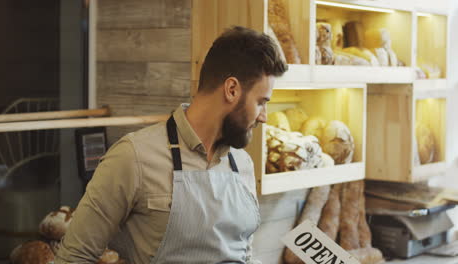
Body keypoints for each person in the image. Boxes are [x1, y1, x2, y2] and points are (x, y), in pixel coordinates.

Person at [55, 26, 287, 264]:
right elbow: (74, 257)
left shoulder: (242, 164)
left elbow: (242, 254)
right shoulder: (133, 157)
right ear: (231, 89)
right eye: (261, 102)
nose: (264, 116)